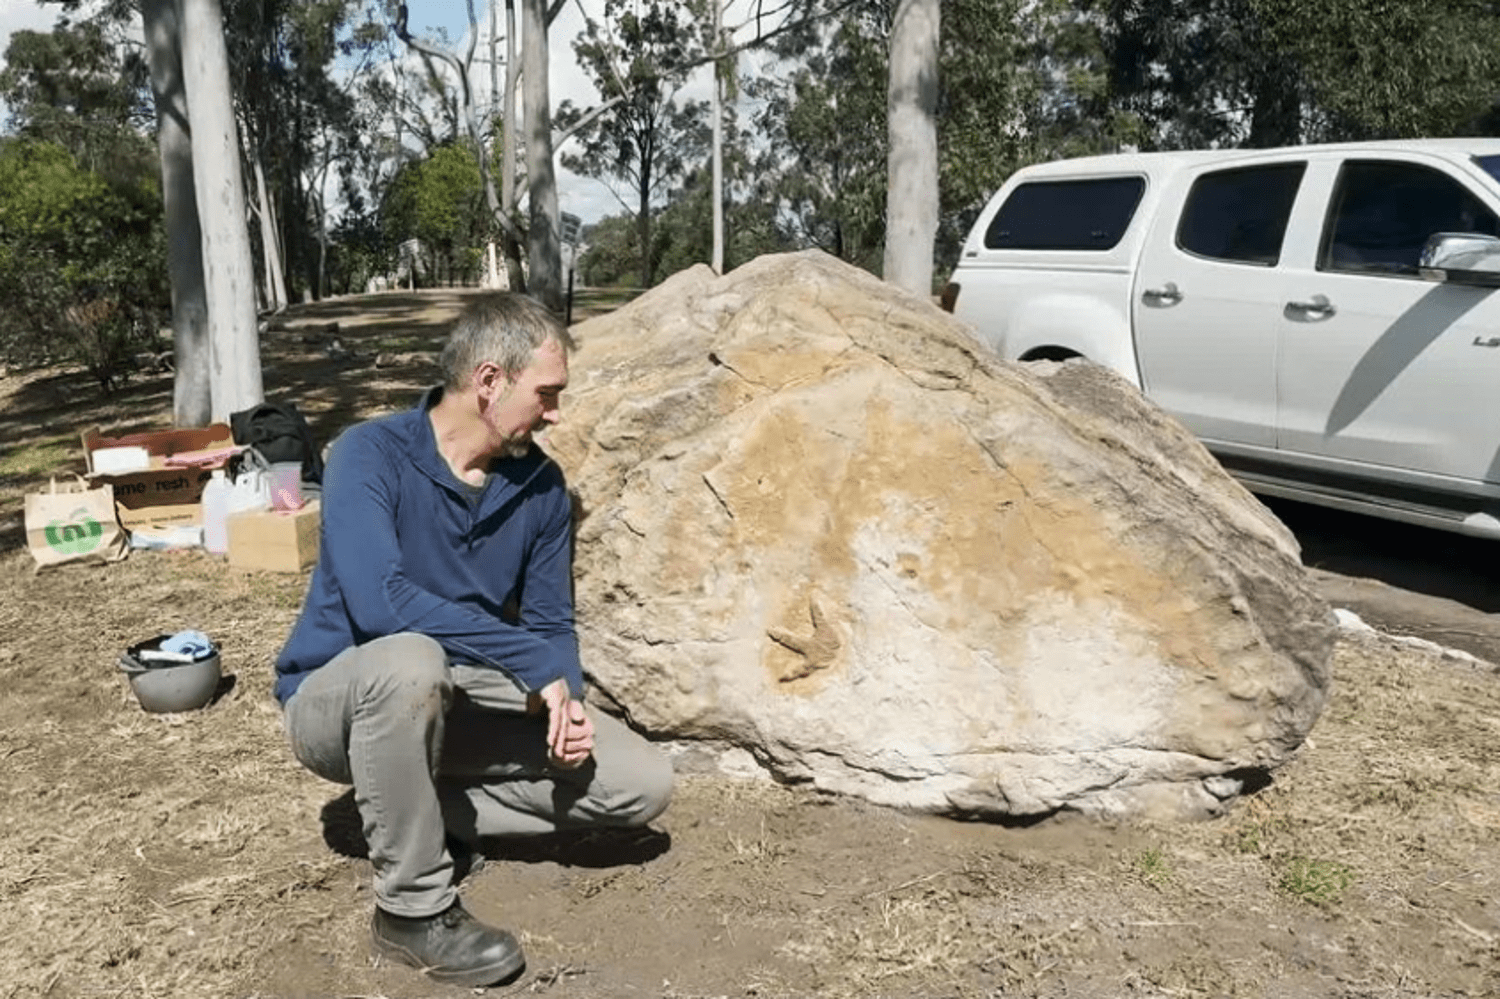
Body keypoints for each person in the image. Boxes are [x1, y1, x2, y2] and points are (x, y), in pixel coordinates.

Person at [273, 292, 674, 988]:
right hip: (342, 699)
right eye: (546, 393)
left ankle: (414, 812)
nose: (555, 412)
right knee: (411, 659)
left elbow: (550, 622)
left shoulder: (541, 488)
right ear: (489, 382)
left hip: (460, 697)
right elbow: (381, 602)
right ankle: (411, 909)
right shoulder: (369, 454)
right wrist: (531, 663)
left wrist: (567, 701)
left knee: (640, 783)